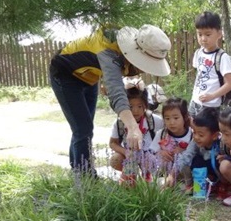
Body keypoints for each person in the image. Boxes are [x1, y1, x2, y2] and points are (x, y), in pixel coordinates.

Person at [50, 24, 171, 176]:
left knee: (84, 128)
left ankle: (79, 170)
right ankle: (84, 178)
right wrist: (133, 127)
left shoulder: (128, 46)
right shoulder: (108, 52)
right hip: (64, 74)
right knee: (83, 129)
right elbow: (116, 92)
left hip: (89, 78)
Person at [189, 12, 231, 117]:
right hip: (195, 102)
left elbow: (230, 83)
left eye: (208, 34)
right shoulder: (199, 53)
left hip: (211, 106)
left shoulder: (222, 57)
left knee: (207, 133)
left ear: (219, 34)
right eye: (199, 34)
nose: (203, 38)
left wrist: (212, 96)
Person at [108, 86, 164, 174]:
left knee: (148, 166)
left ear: (145, 106)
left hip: (149, 156)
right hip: (129, 155)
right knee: (116, 160)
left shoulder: (154, 120)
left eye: (139, 106)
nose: (135, 111)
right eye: (130, 107)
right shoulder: (120, 123)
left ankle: (147, 181)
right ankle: (129, 178)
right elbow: (112, 143)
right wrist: (125, 152)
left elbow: (166, 135)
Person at [166, 107, 221, 190]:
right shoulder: (195, 142)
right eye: (194, 132)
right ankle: (200, 185)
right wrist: (172, 174)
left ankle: (222, 185)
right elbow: (185, 157)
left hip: (219, 172)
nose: (196, 137)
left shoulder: (222, 145)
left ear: (215, 136)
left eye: (201, 135)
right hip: (204, 169)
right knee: (195, 160)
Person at [149, 97, 193, 169]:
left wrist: (183, 151)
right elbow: (151, 152)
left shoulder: (192, 135)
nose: (171, 122)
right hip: (164, 173)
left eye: (176, 118)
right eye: (167, 118)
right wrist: (160, 153)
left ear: (185, 117)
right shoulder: (161, 134)